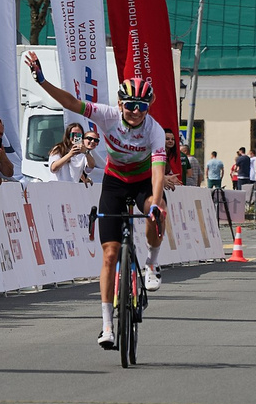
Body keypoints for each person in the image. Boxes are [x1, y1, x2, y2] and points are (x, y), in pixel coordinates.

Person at [25, 50, 168, 349]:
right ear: (120, 103)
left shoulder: (154, 130)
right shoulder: (107, 115)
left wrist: (155, 202)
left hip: (142, 181)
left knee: (158, 210)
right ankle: (106, 326)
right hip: (115, 182)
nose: (136, 111)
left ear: (148, 106)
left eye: (142, 106)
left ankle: (152, 264)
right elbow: (70, 103)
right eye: (130, 105)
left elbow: (158, 171)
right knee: (109, 255)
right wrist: (42, 81)